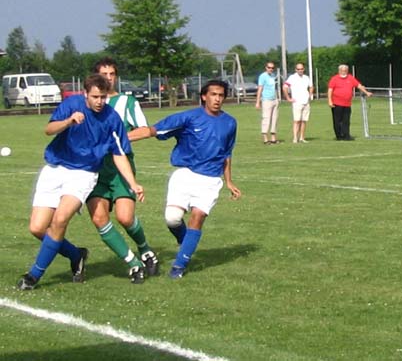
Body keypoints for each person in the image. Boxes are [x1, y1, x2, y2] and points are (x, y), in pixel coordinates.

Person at [17, 74, 144, 290]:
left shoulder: (111, 118)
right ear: (85, 93)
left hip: (83, 174)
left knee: (60, 220)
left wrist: (133, 183)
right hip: (55, 169)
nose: (99, 102)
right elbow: (49, 130)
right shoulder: (71, 104)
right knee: (37, 228)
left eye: (103, 97)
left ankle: (34, 275)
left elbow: (119, 153)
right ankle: (76, 255)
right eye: (95, 97)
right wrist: (68, 121)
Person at [149, 80, 241, 279]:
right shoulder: (189, 117)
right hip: (184, 175)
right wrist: (123, 138)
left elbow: (227, 153)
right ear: (204, 96)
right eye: (213, 94)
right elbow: (154, 130)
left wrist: (229, 181)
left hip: (210, 180)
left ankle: (179, 266)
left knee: (197, 216)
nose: (217, 99)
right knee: (172, 218)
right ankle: (186, 244)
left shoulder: (230, 122)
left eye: (221, 95)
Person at [87, 57, 159, 284]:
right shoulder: (89, 104)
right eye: (104, 74)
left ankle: (145, 249)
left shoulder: (127, 102)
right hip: (95, 169)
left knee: (125, 218)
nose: (108, 78)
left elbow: (146, 130)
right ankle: (132, 262)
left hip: (121, 168)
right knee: (99, 218)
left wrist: (118, 139)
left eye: (112, 74)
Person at [328, 64, 372, 141]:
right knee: (337, 121)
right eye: (342, 70)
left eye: (345, 70)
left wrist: (367, 92)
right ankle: (339, 135)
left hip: (347, 104)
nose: (344, 72)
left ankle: (346, 135)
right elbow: (330, 90)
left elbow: (359, 85)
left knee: (346, 120)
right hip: (337, 103)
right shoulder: (334, 79)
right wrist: (330, 101)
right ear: (339, 71)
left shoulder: (350, 78)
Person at [282, 63, 314, 143]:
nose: (300, 70)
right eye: (298, 69)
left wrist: (309, 95)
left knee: (304, 120)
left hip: (306, 102)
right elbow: (285, 87)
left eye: (301, 69)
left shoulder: (306, 78)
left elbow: (311, 86)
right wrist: (288, 98)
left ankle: (302, 137)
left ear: (304, 69)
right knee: (297, 120)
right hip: (297, 102)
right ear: (296, 70)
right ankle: (295, 138)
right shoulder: (292, 77)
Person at [255, 61, 280, 144]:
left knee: (274, 119)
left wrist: (277, 98)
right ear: (266, 68)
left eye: (272, 68)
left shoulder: (273, 76)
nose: (271, 69)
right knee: (266, 118)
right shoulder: (262, 76)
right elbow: (260, 89)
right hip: (266, 100)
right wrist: (258, 102)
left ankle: (273, 138)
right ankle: (265, 138)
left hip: (274, 99)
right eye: (269, 67)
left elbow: (274, 87)